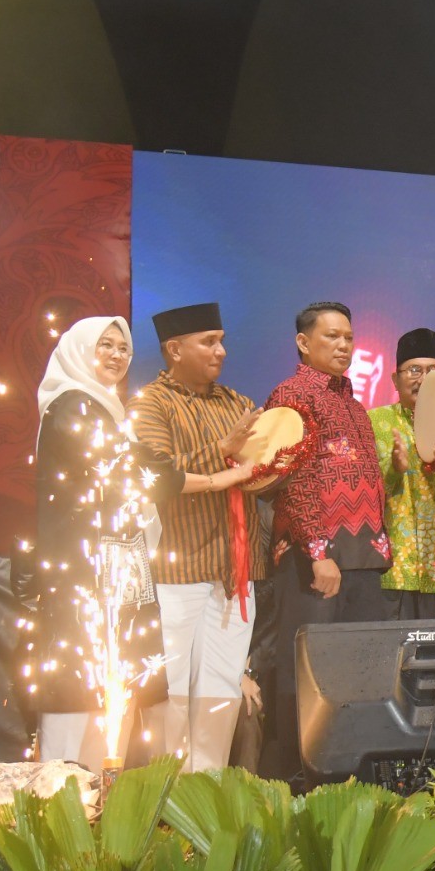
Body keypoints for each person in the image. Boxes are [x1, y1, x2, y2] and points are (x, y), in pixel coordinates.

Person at [130, 302, 265, 772]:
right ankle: (166, 798)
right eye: (209, 341)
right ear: (174, 348)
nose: (221, 351)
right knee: (173, 688)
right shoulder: (150, 404)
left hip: (234, 570)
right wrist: (223, 451)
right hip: (177, 569)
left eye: (222, 339)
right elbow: (156, 474)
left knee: (221, 687)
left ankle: (207, 792)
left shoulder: (238, 404)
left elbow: (257, 474)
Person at [263, 301, 392, 782]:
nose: (343, 346)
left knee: (361, 673)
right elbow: (292, 480)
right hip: (313, 559)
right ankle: (303, 778)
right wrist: (318, 553)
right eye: (331, 337)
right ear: (303, 342)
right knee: (307, 672)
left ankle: (355, 773)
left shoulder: (354, 404)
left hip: (362, 557)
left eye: (348, 337)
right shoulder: (292, 394)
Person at [22, 315, 150, 765]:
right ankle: (60, 800)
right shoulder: (72, 404)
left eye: (123, 349)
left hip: (107, 570)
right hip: (80, 571)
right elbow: (118, 476)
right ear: (79, 349)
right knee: (75, 679)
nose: (116, 356)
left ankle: (94, 797)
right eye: (105, 345)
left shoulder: (105, 408)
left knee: (103, 686)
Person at [369, 327, 435, 620]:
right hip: (396, 573)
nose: (423, 378)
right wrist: (394, 469)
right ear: (395, 379)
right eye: (414, 369)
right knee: (394, 662)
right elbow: (363, 494)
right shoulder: (375, 422)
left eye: (433, 370)